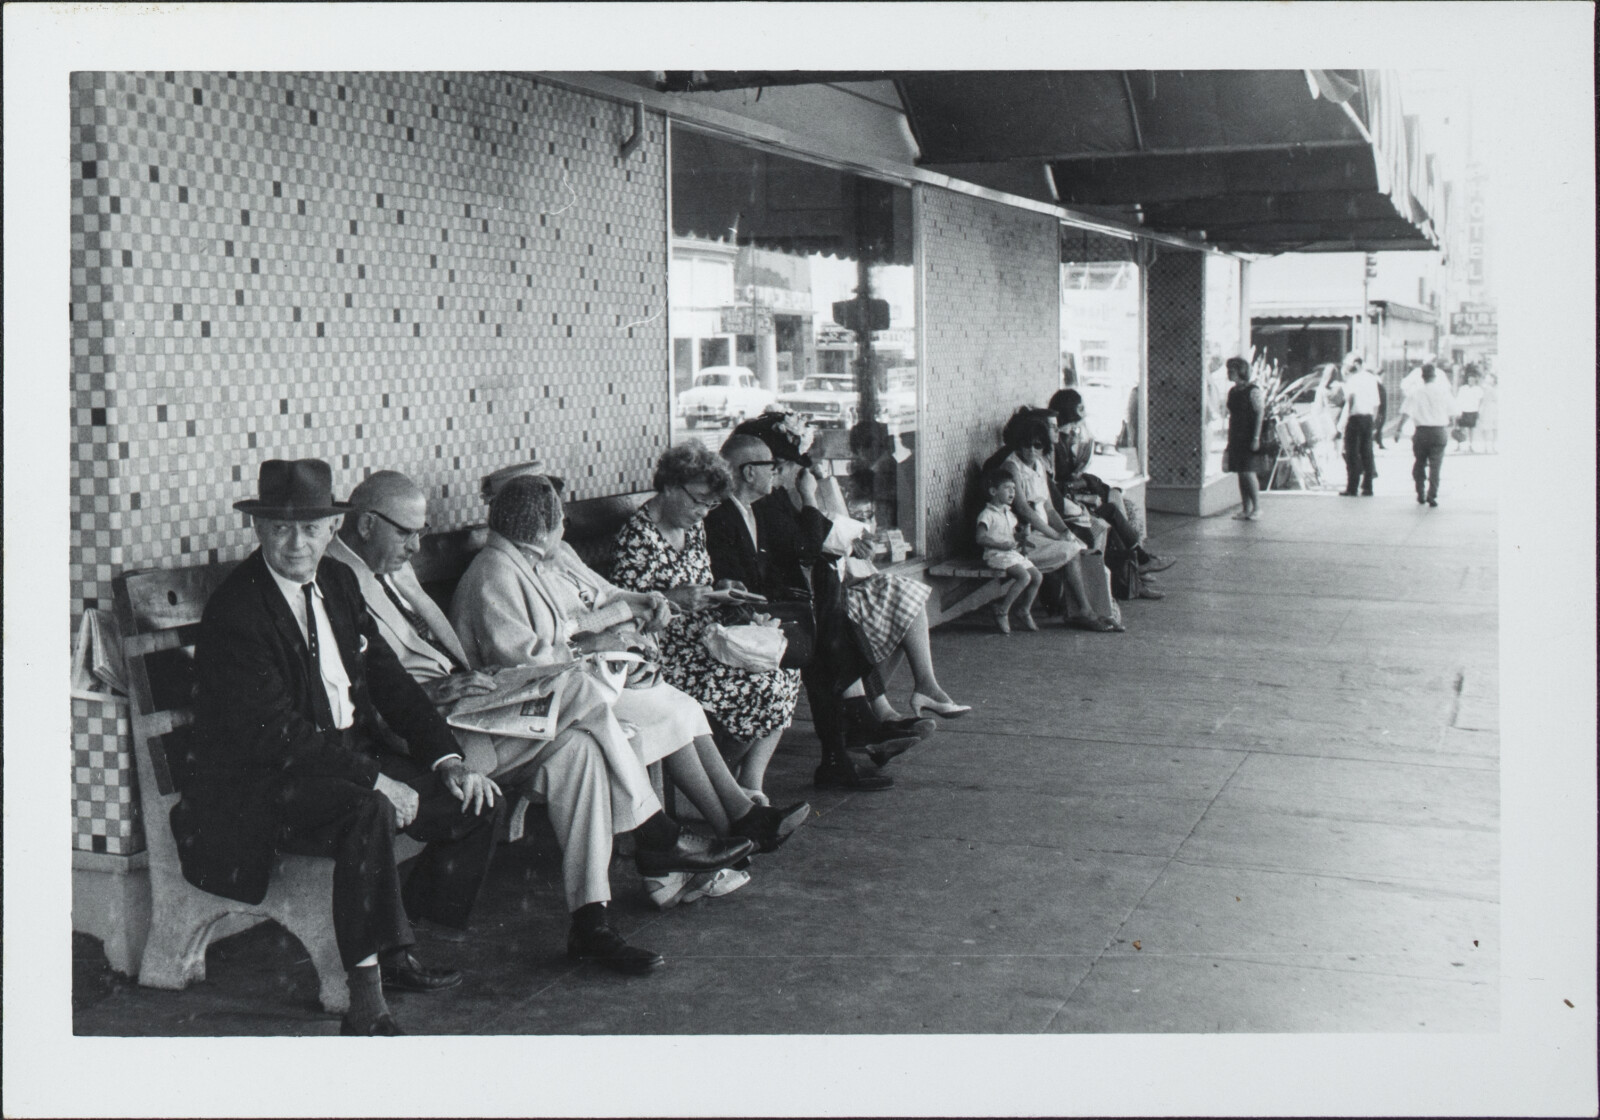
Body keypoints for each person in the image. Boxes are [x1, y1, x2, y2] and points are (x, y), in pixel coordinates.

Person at [328, 471, 746, 959]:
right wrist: (439, 692)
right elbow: (354, 687)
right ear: (363, 525)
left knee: (582, 751)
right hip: (429, 733)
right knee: (577, 685)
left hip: (469, 706)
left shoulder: (388, 564)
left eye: (420, 532)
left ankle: (592, 925)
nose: (417, 546)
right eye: (407, 532)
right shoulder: (339, 581)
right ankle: (654, 833)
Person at [170, 459, 500, 1036]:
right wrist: (378, 780)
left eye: (310, 528)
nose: (296, 543)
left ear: (331, 530)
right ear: (258, 530)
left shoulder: (339, 583)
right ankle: (366, 1000)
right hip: (259, 783)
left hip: (337, 762)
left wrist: (447, 760)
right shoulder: (239, 612)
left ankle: (399, 943)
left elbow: (391, 683)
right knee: (368, 809)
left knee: (477, 796)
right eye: (279, 528)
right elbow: (278, 735)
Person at [450, 474, 808, 862]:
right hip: (558, 693)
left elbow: (603, 597)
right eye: (558, 516)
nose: (564, 523)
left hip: (593, 672)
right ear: (537, 524)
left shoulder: (553, 555)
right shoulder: (502, 572)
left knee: (680, 707)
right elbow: (542, 653)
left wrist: (641, 609)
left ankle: (738, 822)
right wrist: (615, 639)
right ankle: (732, 823)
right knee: (670, 711)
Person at [705, 423, 927, 792]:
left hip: (773, 610)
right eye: (774, 466)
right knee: (825, 633)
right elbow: (805, 545)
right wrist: (810, 497)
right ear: (750, 471)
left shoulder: (761, 501)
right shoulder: (739, 508)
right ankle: (854, 735)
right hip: (746, 618)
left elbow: (811, 539)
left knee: (827, 626)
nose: (781, 474)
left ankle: (849, 743)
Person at [610, 443, 802, 801]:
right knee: (759, 681)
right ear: (668, 486)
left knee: (784, 665)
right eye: (697, 500)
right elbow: (629, 618)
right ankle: (720, 787)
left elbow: (701, 581)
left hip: (705, 636)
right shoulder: (637, 538)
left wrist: (723, 589)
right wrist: (673, 601)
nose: (702, 512)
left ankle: (750, 783)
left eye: (711, 505)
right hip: (666, 650)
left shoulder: (693, 528)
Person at [994, 409, 1122, 632]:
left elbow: (1049, 508)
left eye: (1037, 445)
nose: (1031, 451)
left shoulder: (1039, 466)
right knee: (1070, 551)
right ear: (1017, 443)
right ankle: (1083, 612)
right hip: (1021, 539)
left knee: (1082, 548)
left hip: (1041, 533)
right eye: (1026, 445)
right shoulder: (1011, 467)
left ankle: (1098, 610)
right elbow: (1024, 510)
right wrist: (1056, 536)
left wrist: (1065, 532)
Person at [1046, 389, 1173, 597]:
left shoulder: (1066, 440)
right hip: (1067, 508)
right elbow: (1059, 485)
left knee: (1115, 507)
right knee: (1112, 513)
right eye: (1080, 408)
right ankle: (1139, 567)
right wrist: (1083, 492)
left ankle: (1137, 573)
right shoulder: (1054, 448)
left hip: (1072, 502)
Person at [975, 464, 1044, 633]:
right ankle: (1002, 610)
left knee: (1037, 576)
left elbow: (1011, 536)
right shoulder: (987, 515)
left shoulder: (1009, 514)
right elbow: (980, 538)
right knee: (1024, 577)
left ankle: (1024, 609)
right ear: (993, 492)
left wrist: (1021, 540)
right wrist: (1000, 545)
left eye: (1014, 488)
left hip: (1010, 554)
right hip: (996, 555)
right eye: (1007, 488)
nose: (1012, 492)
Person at [1223, 357, 1268, 520]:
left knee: (1248, 472)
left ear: (1241, 372)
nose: (1229, 374)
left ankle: (1257, 508)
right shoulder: (1233, 392)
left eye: (1232, 371)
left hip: (1249, 435)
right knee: (1241, 473)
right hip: (1236, 434)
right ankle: (1246, 508)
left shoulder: (1253, 390)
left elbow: (1259, 413)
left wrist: (1256, 437)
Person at [1407, 362, 1457, 507]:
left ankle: (1420, 492)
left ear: (1422, 377)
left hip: (1421, 432)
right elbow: (1455, 411)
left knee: (1420, 463)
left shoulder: (1415, 392)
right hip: (1438, 432)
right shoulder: (1443, 392)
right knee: (1436, 466)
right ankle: (1432, 495)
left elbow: (1405, 412)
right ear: (1434, 376)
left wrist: (1398, 430)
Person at [1335, 356, 1383, 497]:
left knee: (1351, 453)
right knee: (1367, 453)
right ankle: (1368, 487)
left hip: (1355, 418)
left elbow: (1351, 400)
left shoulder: (1353, 380)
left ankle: (1352, 487)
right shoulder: (1371, 378)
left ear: (1355, 365)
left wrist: (1344, 420)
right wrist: (1373, 421)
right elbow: (1376, 403)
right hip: (1367, 418)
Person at [1454, 370, 1484, 453]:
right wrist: (1458, 411)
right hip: (1463, 411)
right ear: (1467, 380)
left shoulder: (1478, 389)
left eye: (1472, 380)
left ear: (1475, 380)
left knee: (1471, 430)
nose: (1470, 381)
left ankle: (1471, 446)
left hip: (1473, 410)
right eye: (1469, 379)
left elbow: (1481, 401)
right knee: (1460, 429)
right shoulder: (1463, 389)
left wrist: (1479, 411)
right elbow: (1459, 400)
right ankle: (1459, 446)